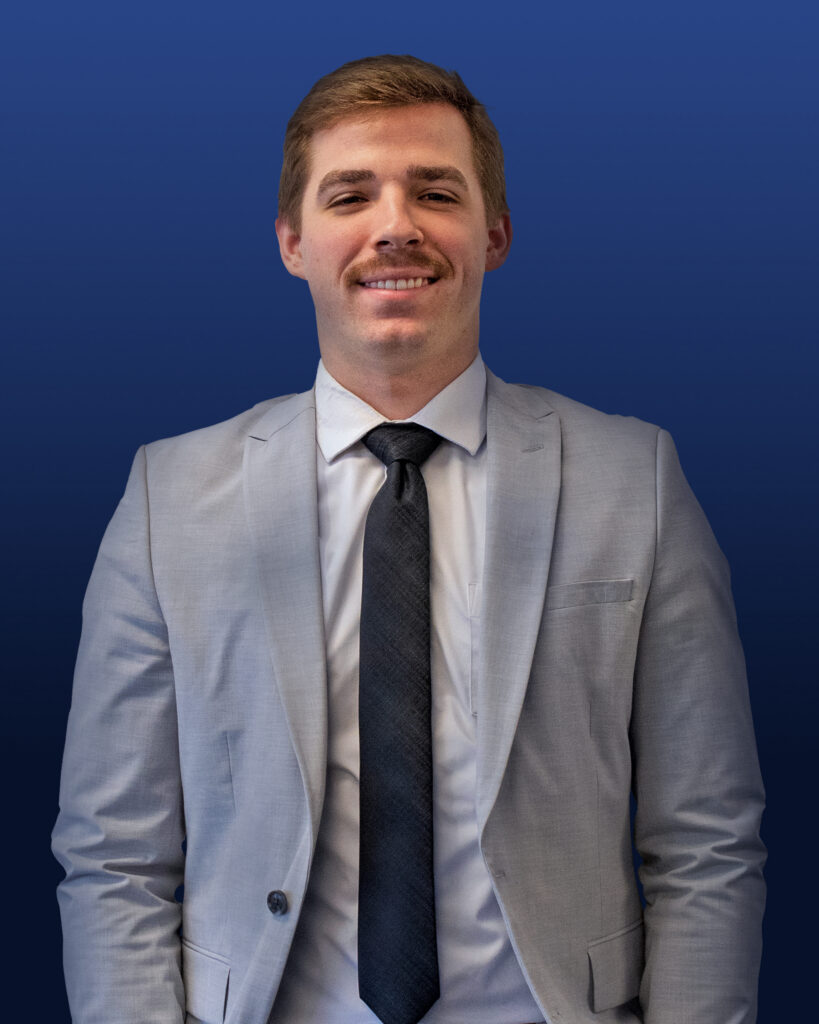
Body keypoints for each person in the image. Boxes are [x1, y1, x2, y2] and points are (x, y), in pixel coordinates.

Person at [52, 54, 766, 1024]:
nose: (395, 225)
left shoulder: (632, 480)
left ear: (495, 233)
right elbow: (113, 855)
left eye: (435, 192)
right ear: (292, 241)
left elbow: (707, 841)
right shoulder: (166, 498)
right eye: (351, 195)